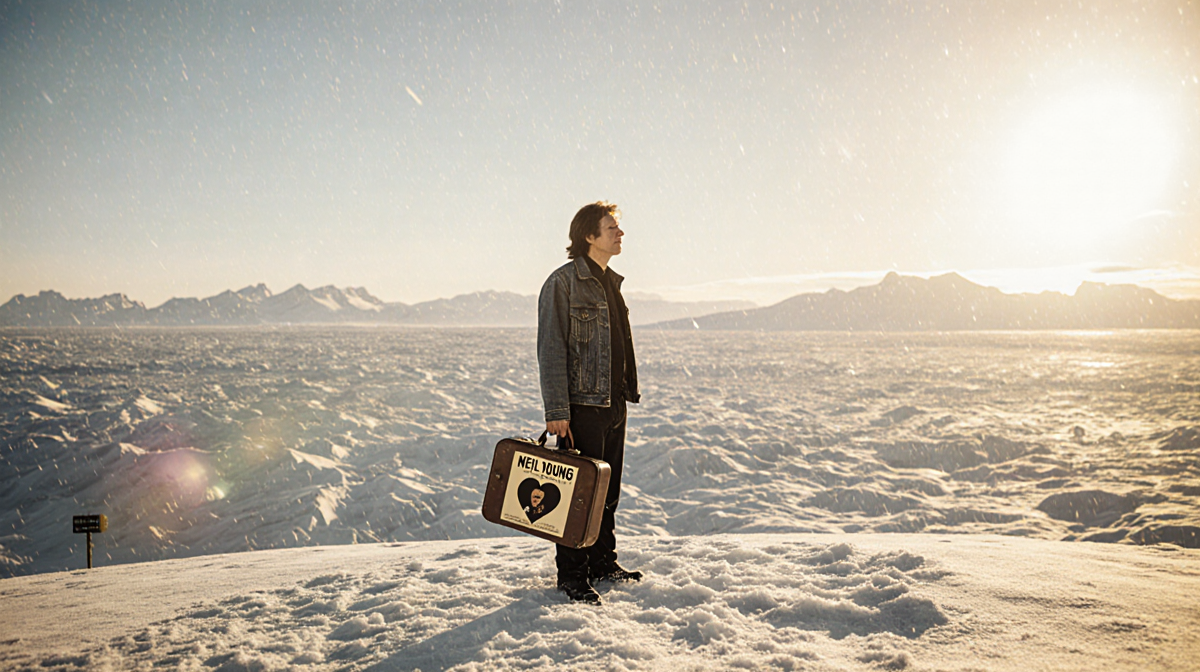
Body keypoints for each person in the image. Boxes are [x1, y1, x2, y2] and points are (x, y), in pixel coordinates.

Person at [537, 201, 642, 604]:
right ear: (589, 235)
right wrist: (558, 412)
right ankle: (572, 576)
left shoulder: (610, 282)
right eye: (611, 227)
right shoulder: (563, 283)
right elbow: (551, 350)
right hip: (582, 406)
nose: (619, 233)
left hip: (613, 403)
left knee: (607, 490)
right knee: (579, 494)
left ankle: (602, 562)